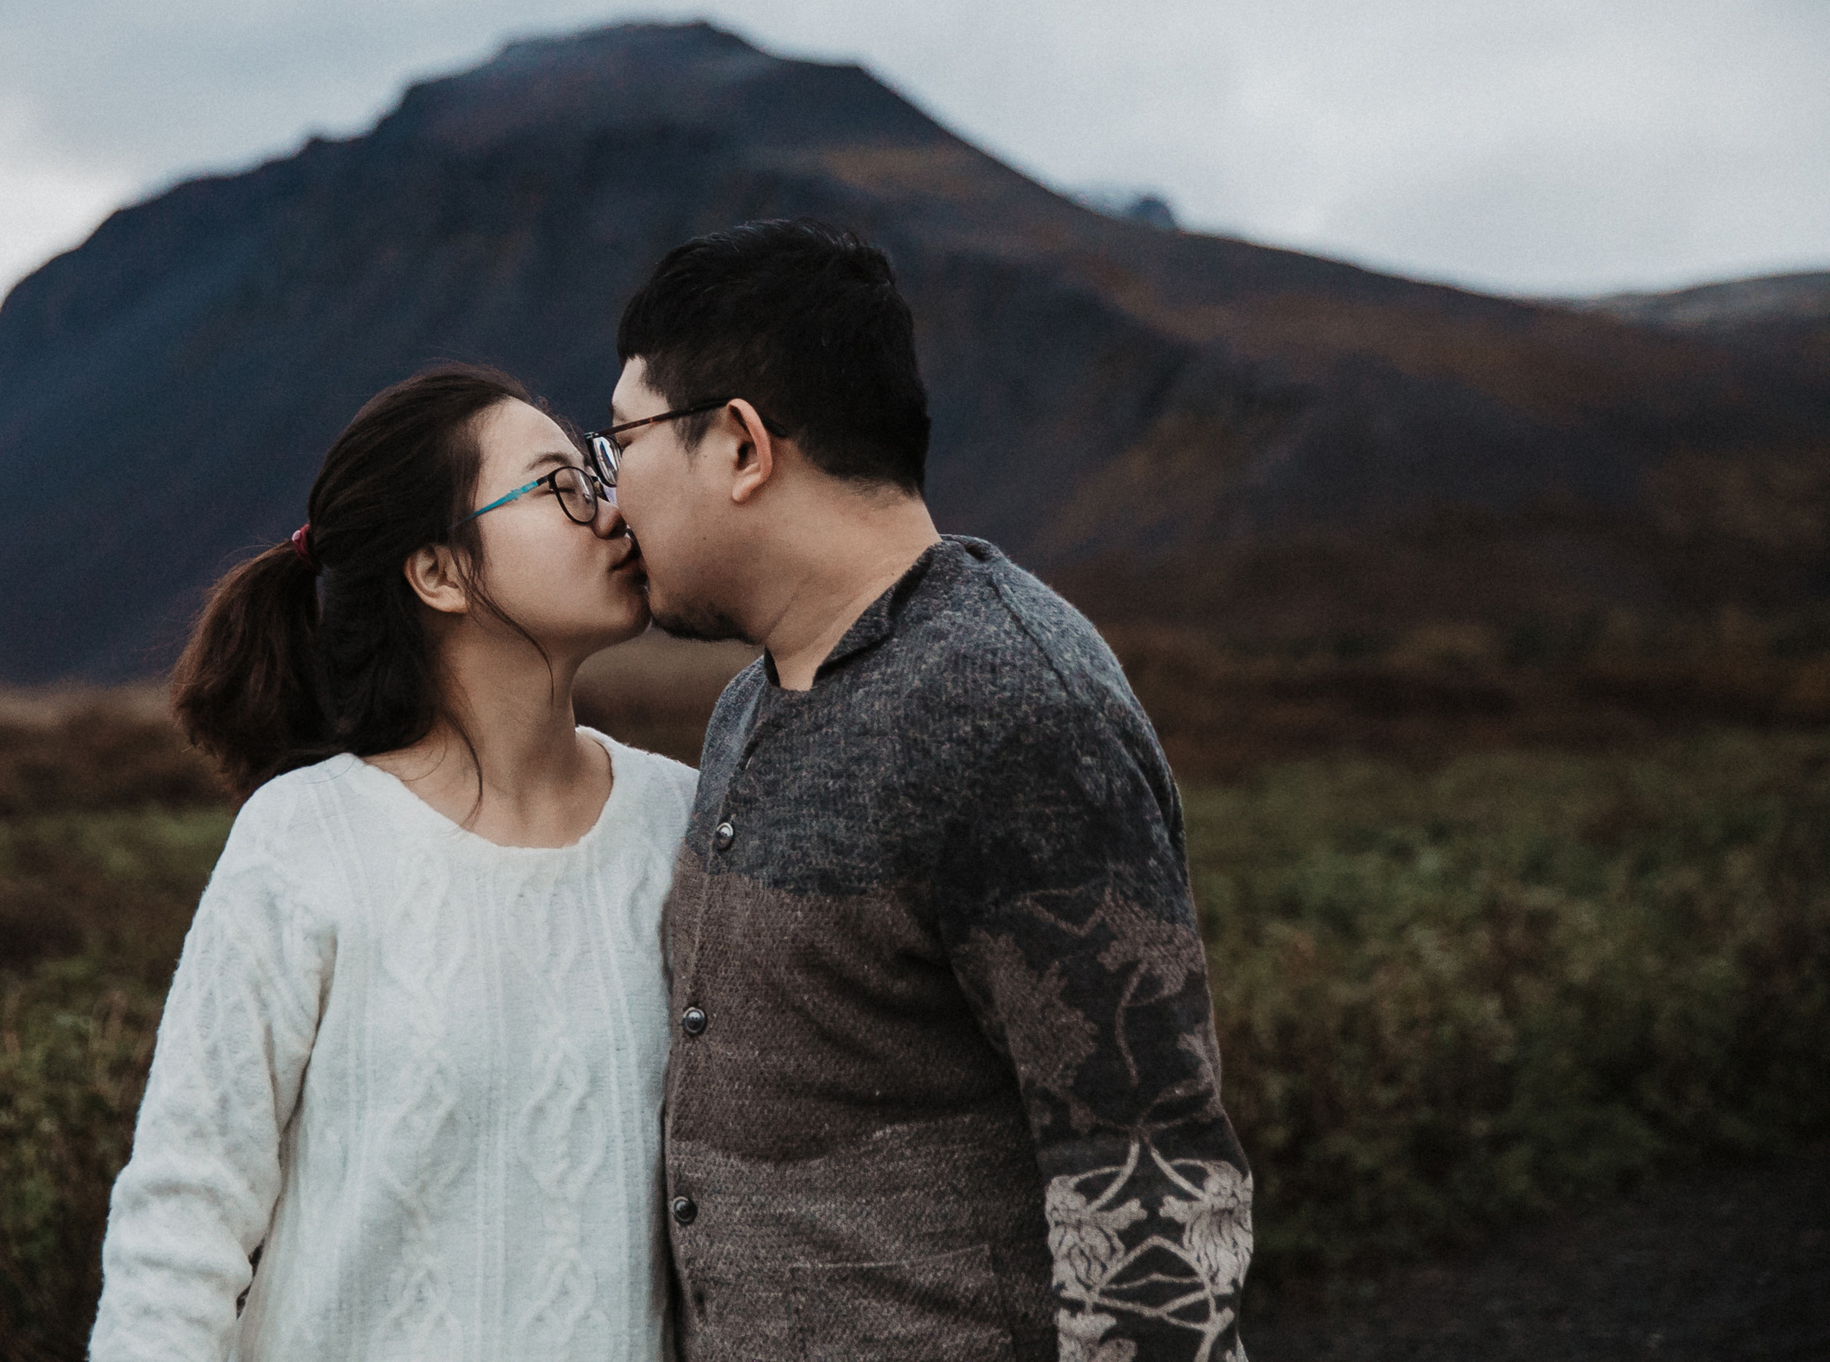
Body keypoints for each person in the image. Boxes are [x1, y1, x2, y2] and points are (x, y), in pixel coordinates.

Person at [589, 220, 1251, 1362]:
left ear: (741, 447)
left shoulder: (1012, 708)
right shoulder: (750, 703)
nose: (608, 504)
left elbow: (1148, 1175)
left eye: (623, 442)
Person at [88, 364, 698, 1362]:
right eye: (558, 486)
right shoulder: (309, 841)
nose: (610, 507)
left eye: (595, 469)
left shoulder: (679, 821)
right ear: (439, 574)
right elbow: (185, 1218)